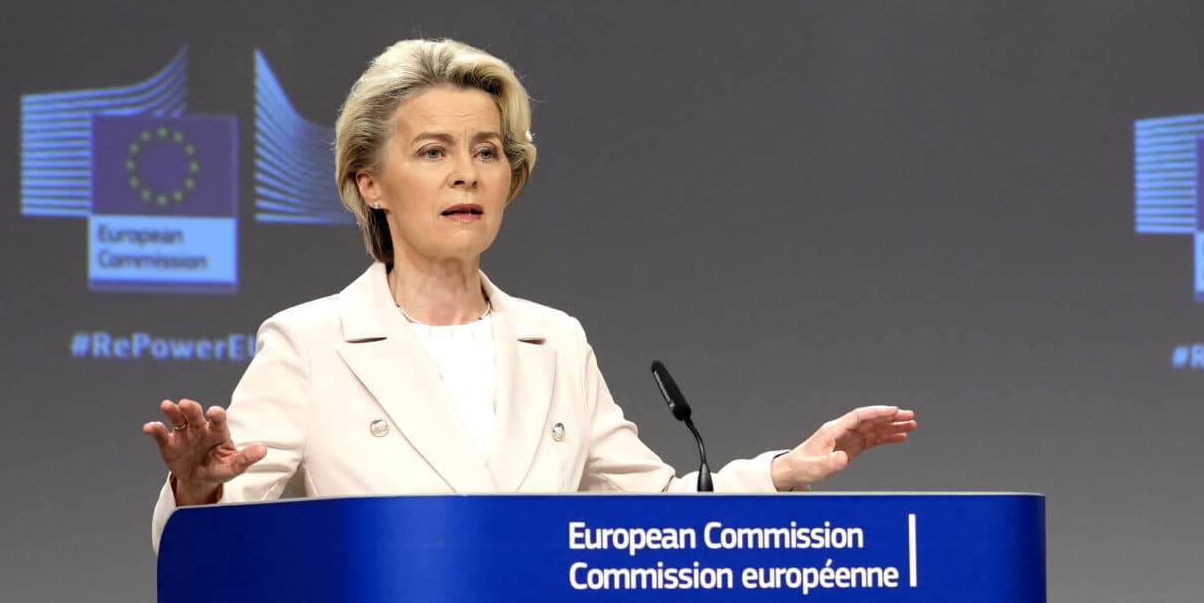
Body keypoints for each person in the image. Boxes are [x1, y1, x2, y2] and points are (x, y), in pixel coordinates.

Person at [145, 38, 914, 547]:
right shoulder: (311, 342)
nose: (466, 172)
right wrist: (194, 488)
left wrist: (779, 471)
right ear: (369, 182)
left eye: (487, 150)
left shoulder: (556, 341)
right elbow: (206, 541)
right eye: (433, 150)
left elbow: (654, 514)